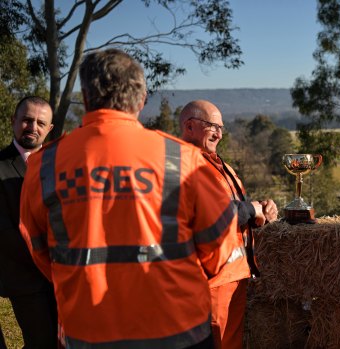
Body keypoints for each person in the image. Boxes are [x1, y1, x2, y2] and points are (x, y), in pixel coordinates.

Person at [19, 48, 239, 348]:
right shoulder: (183, 158)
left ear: (85, 98)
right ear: (140, 100)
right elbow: (220, 249)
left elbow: (39, 250)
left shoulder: (43, 165)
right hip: (178, 330)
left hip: (87, 332)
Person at [179, 100, 278, 349]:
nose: (220, 134)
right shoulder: (184, 165)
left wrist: (261, 212)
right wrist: (250, 208)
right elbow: (209, 213)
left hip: (232, 277)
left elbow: (235, 210)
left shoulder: (220, 165)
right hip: (209, 282)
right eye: (213, 126)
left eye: (221, 128)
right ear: (190, 126)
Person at [0, 96, 58, 348]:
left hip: (63, 278)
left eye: (40, 123)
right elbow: (3, 231)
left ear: (50, 129)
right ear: (14, 121)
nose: (33, 127)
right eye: (27, 120)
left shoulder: (60, 165)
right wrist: (47, 262)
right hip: (26, 278)